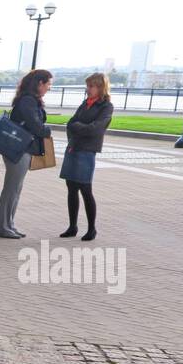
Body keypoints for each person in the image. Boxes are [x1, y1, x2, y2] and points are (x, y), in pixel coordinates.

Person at [0, 69, 53, 239]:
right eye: (48, 83)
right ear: (40, 83)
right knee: (11, 189)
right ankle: (3, 227)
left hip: (21, 148)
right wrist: (47, 130)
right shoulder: (28, 101)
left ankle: (9, 225)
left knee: (15, 189)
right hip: (19, 149)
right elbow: (36, 126)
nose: (49, 87)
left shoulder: (29, 99)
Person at [60, 72, 114, 241]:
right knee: (71, 188)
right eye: (88, 86)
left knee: (85, 189)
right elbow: (70, 123)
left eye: (91, 86)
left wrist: (78, 127)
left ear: (100, 87)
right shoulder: (85, 103)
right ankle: (72, 226)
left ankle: (92, 229)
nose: (88, 89)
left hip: (87, 151)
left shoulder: (106, 107)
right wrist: (79, 128)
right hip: (73, 148)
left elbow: (96, 129)